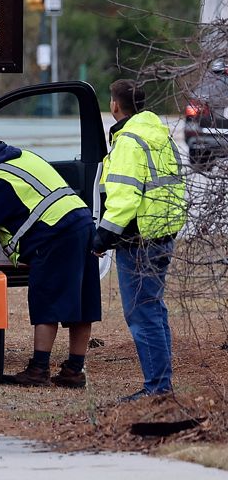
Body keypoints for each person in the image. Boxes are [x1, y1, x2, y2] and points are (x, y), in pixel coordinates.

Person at [0, 139, 101, 388]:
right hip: (82, 222)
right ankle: (74, 370)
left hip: (55, 233)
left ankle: (39, 369)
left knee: (46, 300)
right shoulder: (23, 157)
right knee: (82, 300)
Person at [92, 79, 186, 401]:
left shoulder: (129, 141)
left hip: (138, 240)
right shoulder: (158, 134)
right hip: (163, 233)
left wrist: (102, 236)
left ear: (115, 106)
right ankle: (162, 383)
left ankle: (157, 388)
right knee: (154, 309)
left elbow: (124, 199)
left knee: (141, 313)